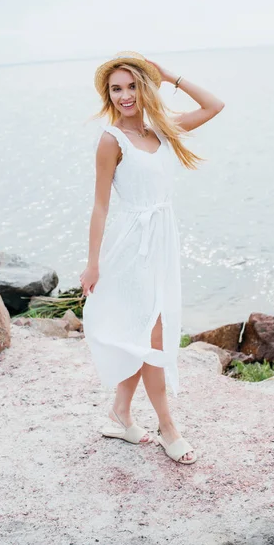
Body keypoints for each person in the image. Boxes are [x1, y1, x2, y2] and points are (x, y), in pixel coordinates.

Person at [81, 51, 224, 465]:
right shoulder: (112, 140)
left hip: (161, 243)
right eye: (116, 89)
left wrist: (168, 75)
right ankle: (167, 427)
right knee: (152, 337)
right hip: (129, 248)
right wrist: (93, 263)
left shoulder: (161, 129)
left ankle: (121, 413)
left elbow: (215, 106)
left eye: (131, 85)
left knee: (141, 334)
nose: (125, 95)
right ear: (108, 96)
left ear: (144, 87)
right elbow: (100, 207)